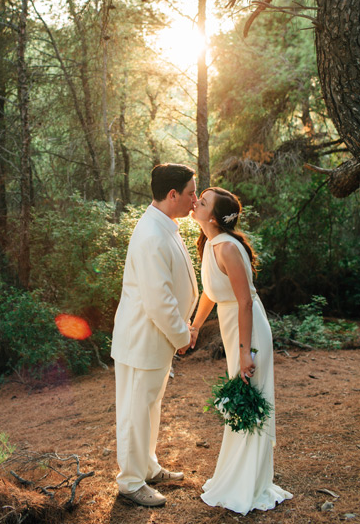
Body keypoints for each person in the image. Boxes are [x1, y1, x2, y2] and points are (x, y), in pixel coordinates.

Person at [189, 187, 292, 514]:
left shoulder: (229, 248)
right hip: (233, 328)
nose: (195, 202)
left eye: (202, 202)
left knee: (251, 401)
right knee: (241, 404)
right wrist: (193, 327)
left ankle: (250, 484)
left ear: (215, 217)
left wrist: (246, 351)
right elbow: (210, 293)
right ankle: (236, 475)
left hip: (250, 333)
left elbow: (245, 301)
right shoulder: (209, 245)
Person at [111, 163, 199, 507]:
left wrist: (182, 330)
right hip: (142, 340)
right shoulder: (150, 234)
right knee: (136, 411)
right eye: (191, 192)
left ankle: (147, 466)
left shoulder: (166, 225)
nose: (195, 199)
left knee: (149, 407)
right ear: (173, 194)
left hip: (156, 341)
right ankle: (130, 482)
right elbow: (158, 299)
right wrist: (183, 335)